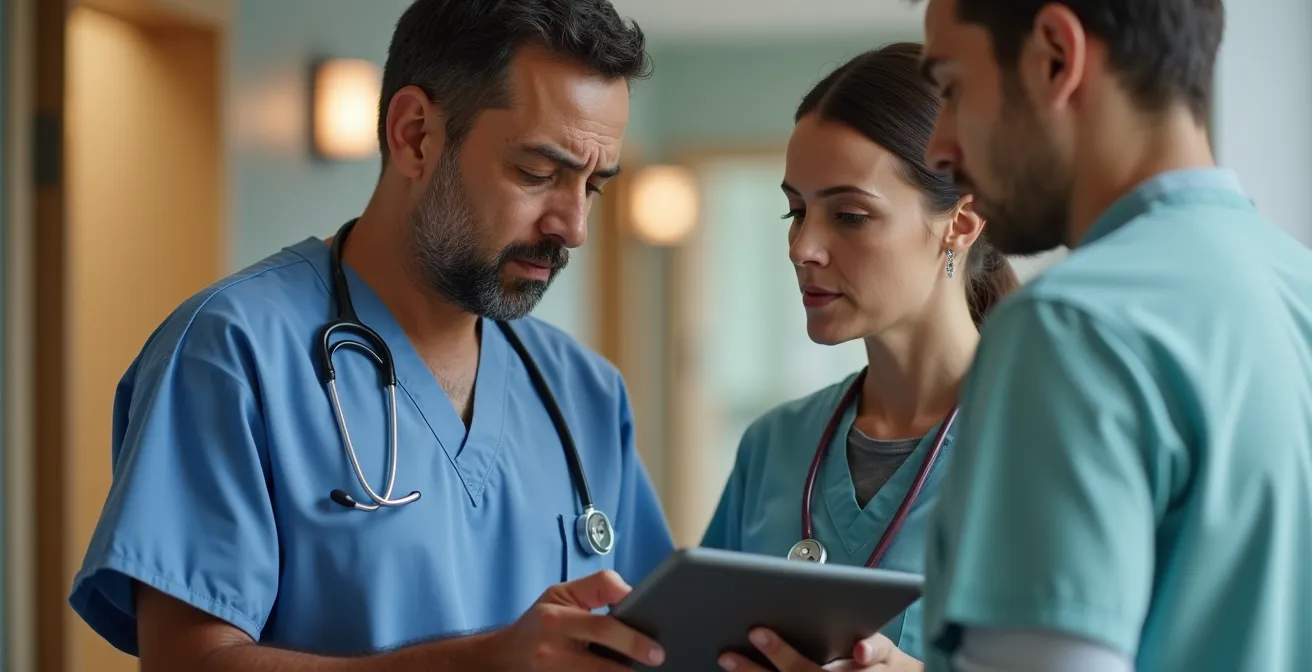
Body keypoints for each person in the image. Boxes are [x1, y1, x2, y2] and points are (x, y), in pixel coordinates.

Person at [66, 1, 679, 669]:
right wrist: (483, 664)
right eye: (538, 173)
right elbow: (189, 662)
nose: (574, 227)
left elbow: (650, 639)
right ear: (415, 136)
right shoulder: (231, 354)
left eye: (593, 187)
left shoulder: (586, 393)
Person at [915, 0, 1312, 670]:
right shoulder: (1298, 288)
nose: (939, 146)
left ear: (1055, 57)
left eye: (952, 88)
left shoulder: (1069, 328)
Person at [701, 43, 1019, 672]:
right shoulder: (773, 446)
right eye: (796, 211)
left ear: (962, 222)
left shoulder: (1048, 445)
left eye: (849, 215)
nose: (802, 247)